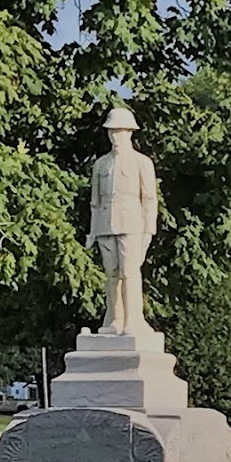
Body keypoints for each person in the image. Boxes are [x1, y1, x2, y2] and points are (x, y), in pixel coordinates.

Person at [85, 106, 157, 335]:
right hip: (106, 223)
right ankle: (115, 320)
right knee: (111, 272)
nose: (115, 136)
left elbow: (149, 199)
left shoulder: (142, 162)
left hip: (131, 223)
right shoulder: (101, 165)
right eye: (112, 131)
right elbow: (94, 202)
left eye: (120, 131)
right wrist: (92, 232)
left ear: (130, 132)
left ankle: (133, 321)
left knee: (130, 271)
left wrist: (148, 231)